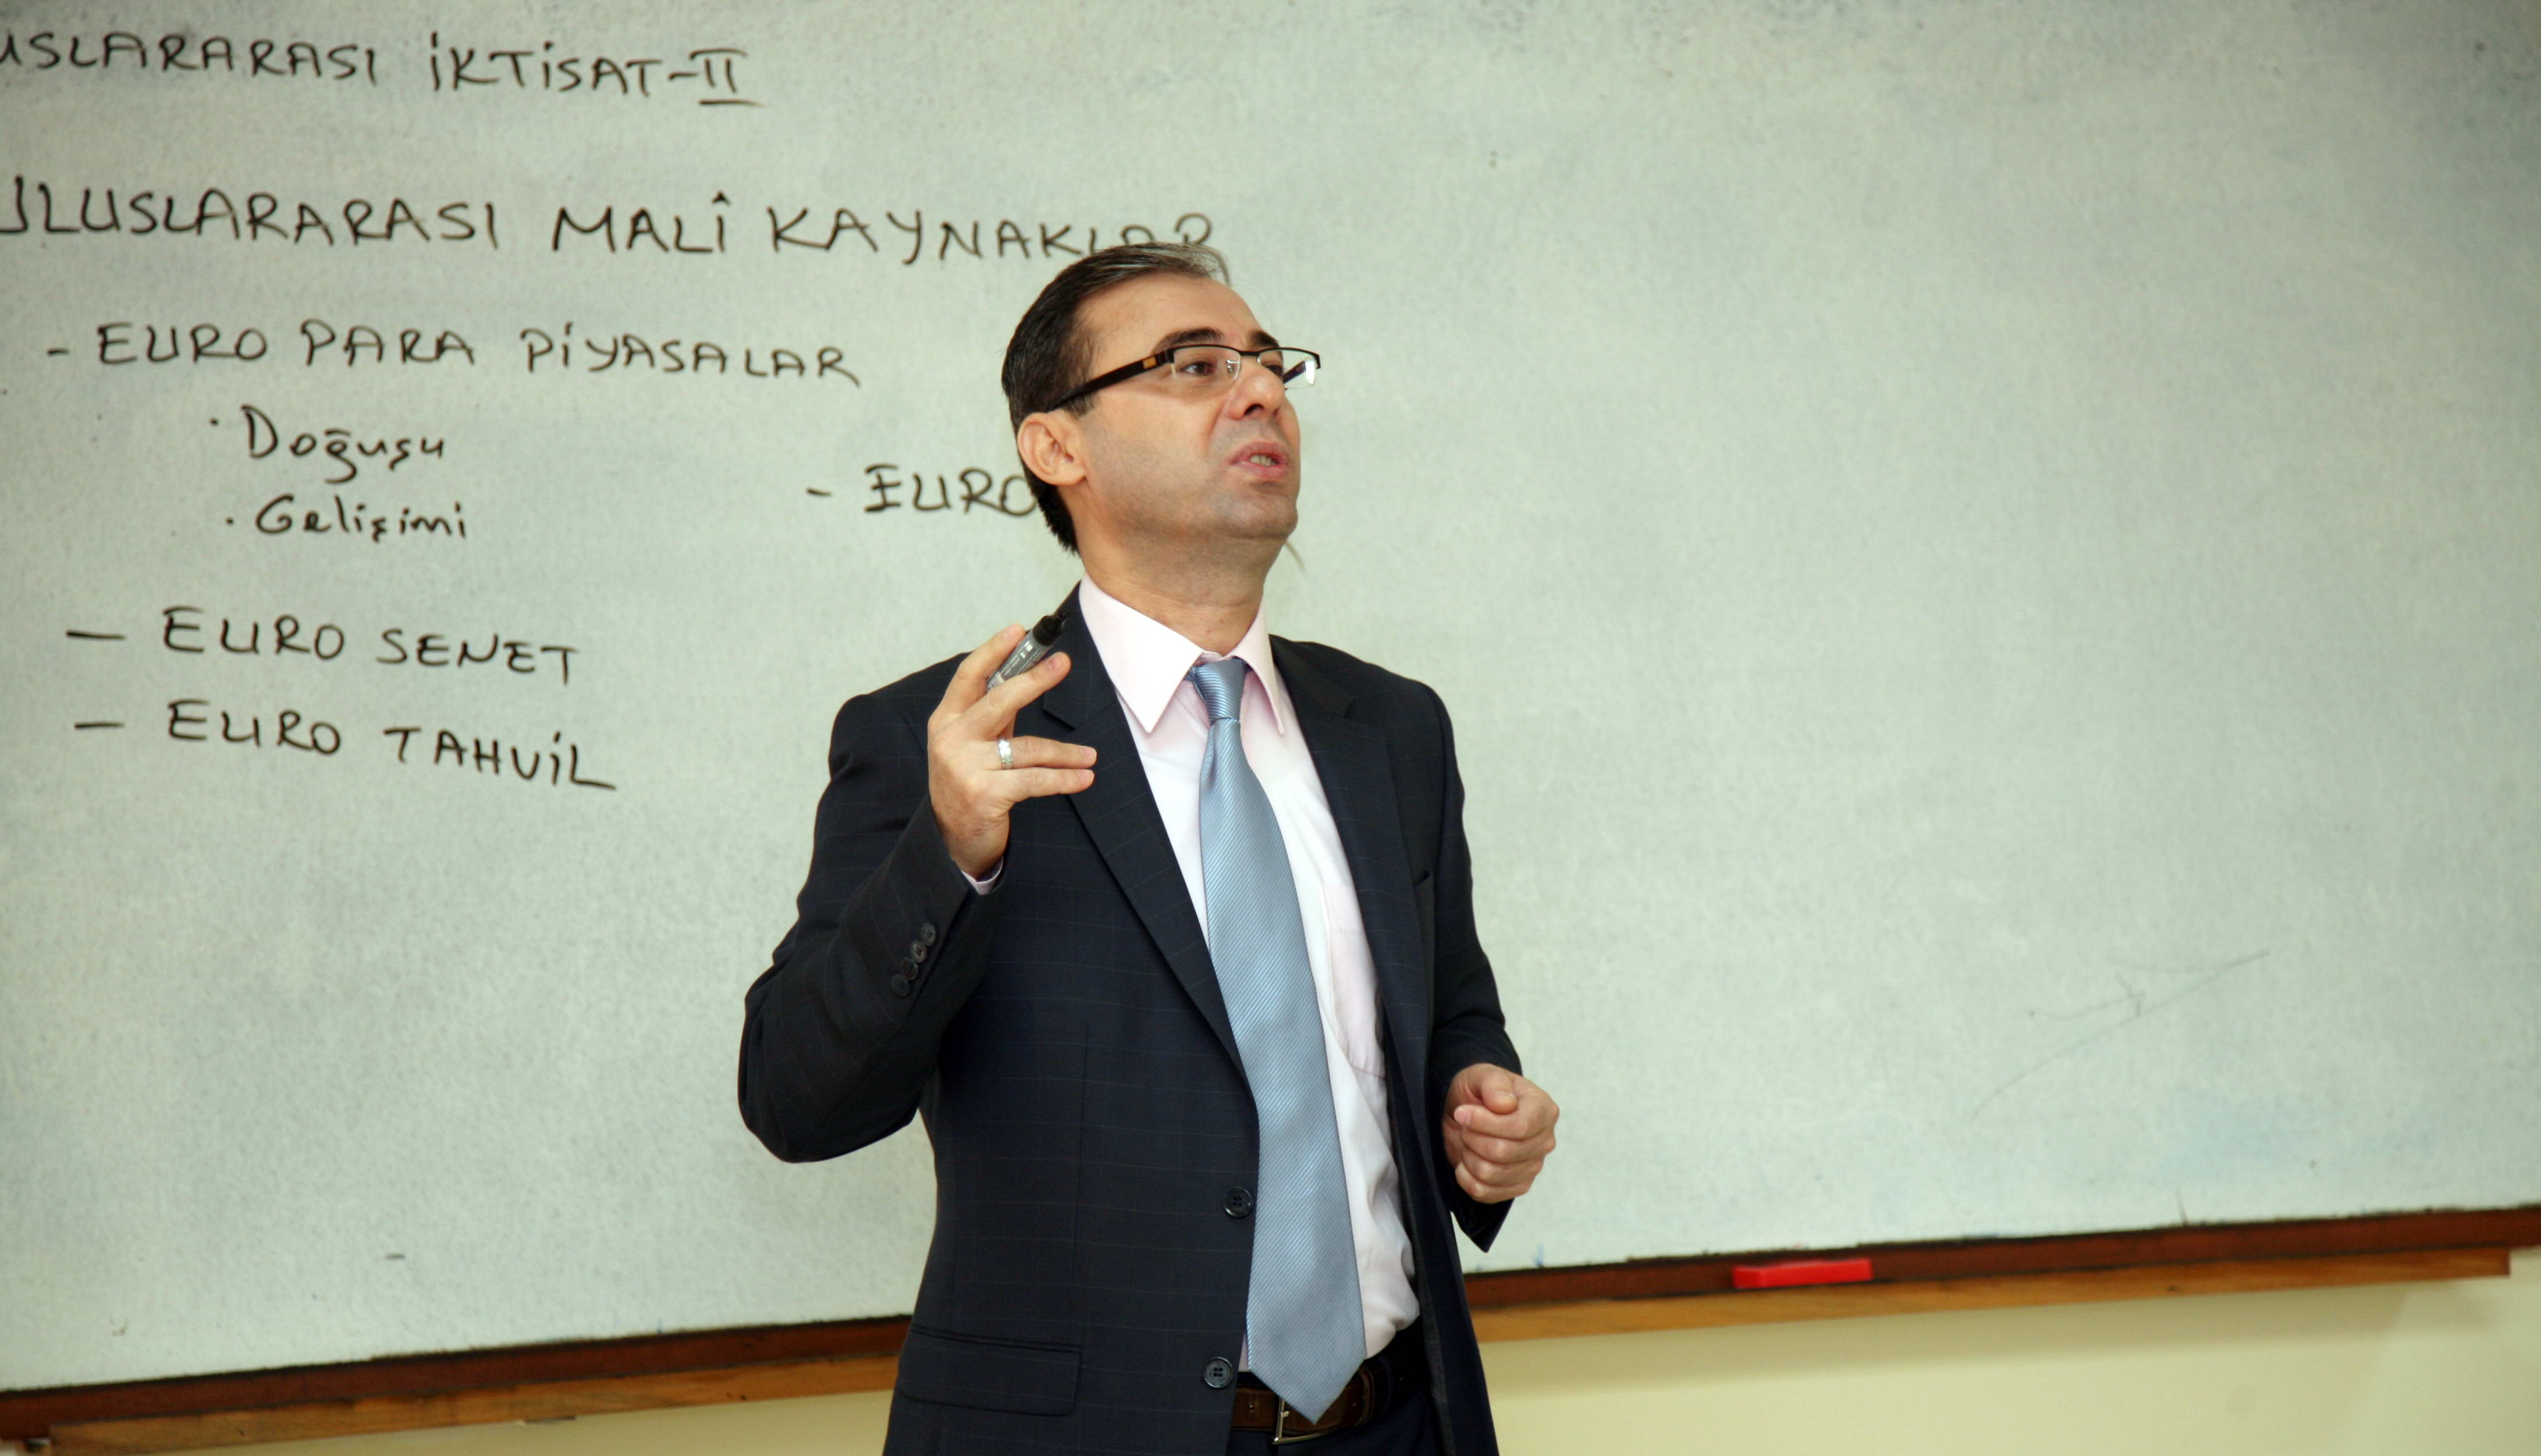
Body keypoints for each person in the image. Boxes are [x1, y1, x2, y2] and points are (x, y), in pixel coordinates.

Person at [738, 242, 1558, 1455]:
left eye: (1270, 364)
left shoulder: (1389, 728)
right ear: (1056, 447)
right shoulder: (949, 740)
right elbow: (795, 1101)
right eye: (1192, 365)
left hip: (1395, 1424)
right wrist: (949, 855)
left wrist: (1479, 1103)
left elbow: (1452, 1011)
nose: (1260, 391)